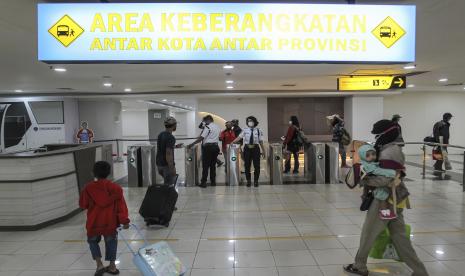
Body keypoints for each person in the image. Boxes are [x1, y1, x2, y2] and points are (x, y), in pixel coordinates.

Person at [344, 119, 429, 276]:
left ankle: (359, 266)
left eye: (378, 135)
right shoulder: (388, 148)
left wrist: (364, 179)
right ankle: (419, 271)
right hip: (395, 198)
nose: (376, 138)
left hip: (384, 200)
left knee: (369, 232)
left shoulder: (390, 151)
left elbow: (386, 179)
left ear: (386, 133)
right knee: (400, 236)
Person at [79, 161, 130, 276]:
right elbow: (121, 208)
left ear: (93, 173)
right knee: (111, 242)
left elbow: (83, 204)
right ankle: (112, 266)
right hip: (110, 222)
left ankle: (99, 265)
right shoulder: (116, 188)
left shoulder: (88, 188)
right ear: (109, 173)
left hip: (94, 222)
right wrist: (124, 221)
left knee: (92, 242)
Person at [359, 144, 399, 220]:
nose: (371, 157)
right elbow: (378, 171)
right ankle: (384, 212)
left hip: (369, 184)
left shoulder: (365, 163)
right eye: (368, 155)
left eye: (373, 154)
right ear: (363, 156)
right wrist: (392, 172)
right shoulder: (368, 166)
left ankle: (365, 198)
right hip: (373, 183)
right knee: (382, 193)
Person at [188, 115, 221, 188]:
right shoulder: (217, 127)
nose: (204, 123)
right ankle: (213, 182)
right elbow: (219, 136)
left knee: (205, 166)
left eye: (205, 121)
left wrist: (192, 144)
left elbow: (201, 138)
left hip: (208, 148)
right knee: (213, 165)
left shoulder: (207, 127)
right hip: (216, 147)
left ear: (208, 120)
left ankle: (203, 182)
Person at [232, 116, 266, 187]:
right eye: (248, 121)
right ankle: (248, 181)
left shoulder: (259, 130)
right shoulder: (245, 130)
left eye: (251, 121)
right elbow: (239, 137)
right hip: (247, 149)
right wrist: (232, 142)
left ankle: (256, 181)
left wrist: (263, 151)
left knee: (257, 166)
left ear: (254, 122)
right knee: (247, 165)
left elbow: (261, 141)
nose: (249, 122)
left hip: (255, 149)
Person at [156, 117, 184, 186]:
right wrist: (172, 168)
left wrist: (175, 146)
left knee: (166, 183)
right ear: (174, 125)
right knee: (169, 186)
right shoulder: (171, 137)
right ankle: (165, 196)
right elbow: (168, 153)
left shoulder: (161, 134)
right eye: (176, 124)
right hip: (167, 166)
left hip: (159, 164)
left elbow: (163, 147)